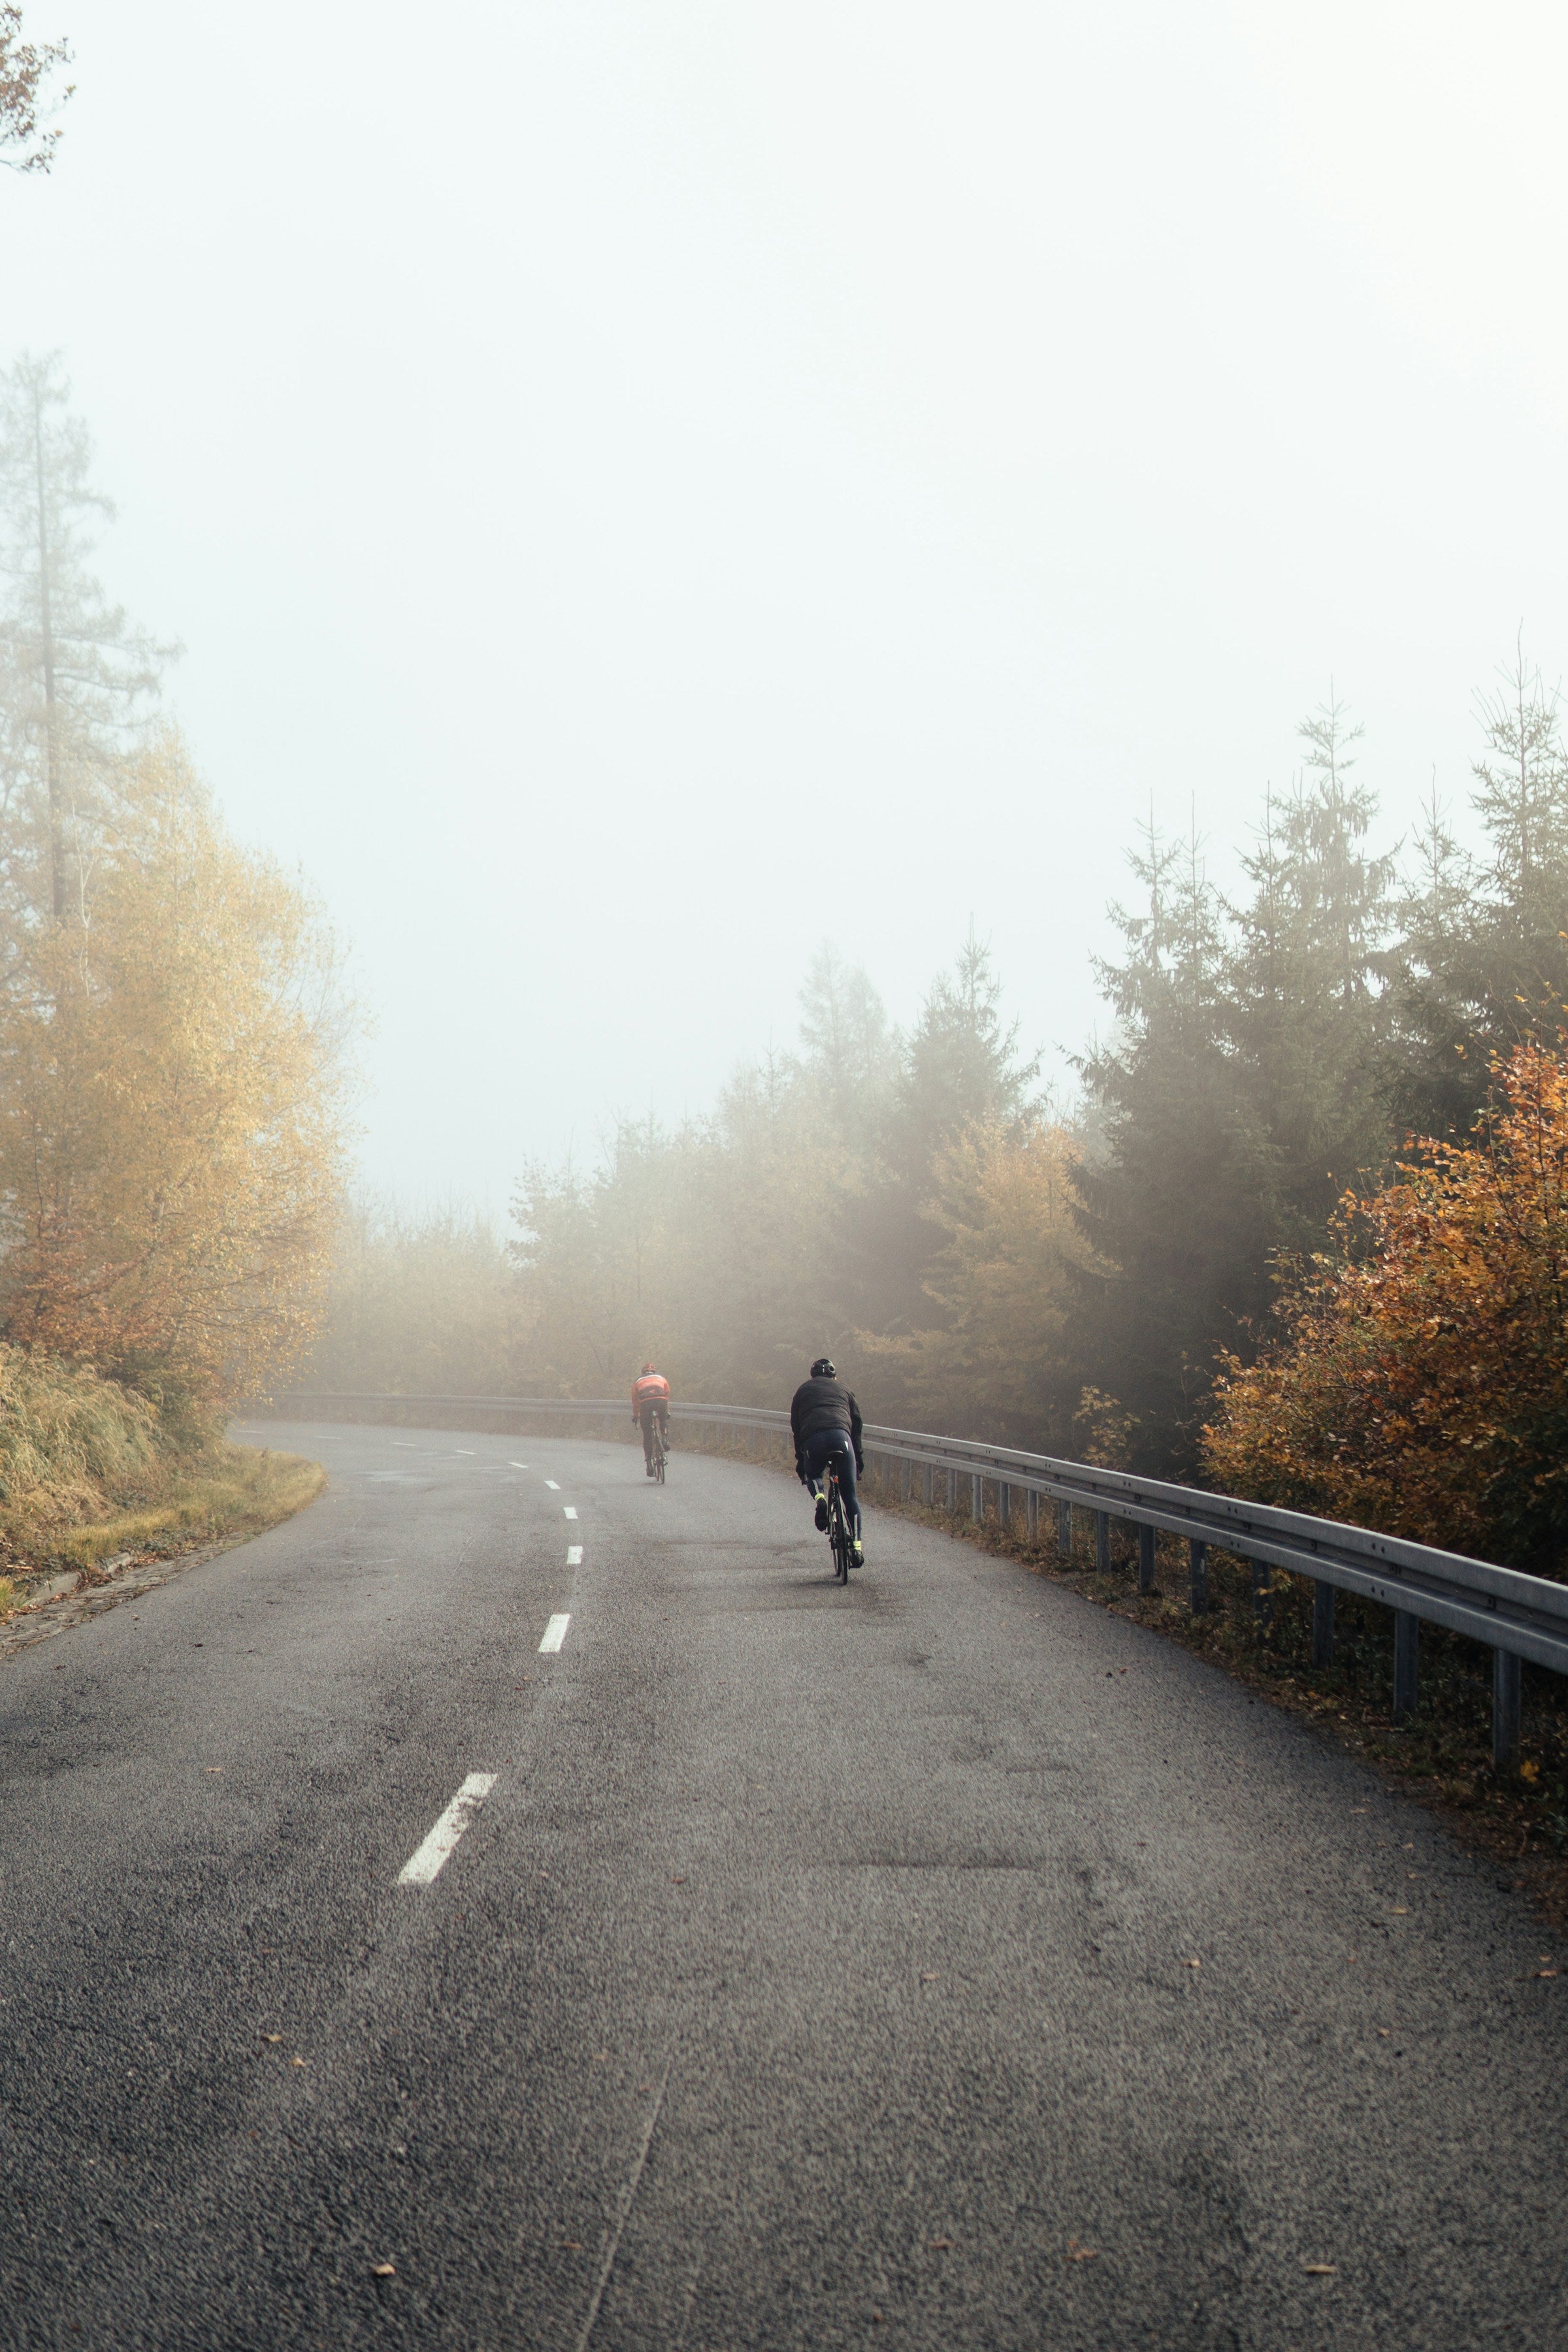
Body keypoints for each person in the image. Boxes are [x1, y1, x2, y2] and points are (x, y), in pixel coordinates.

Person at [790, 1356, 864, 1565]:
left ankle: (821, 1500)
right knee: (849, 1495)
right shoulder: (845, 1390)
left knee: (814, 1473)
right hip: (843, 1439)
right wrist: (858, 1457)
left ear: (812, 1376)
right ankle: (857, 1547)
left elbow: (796, 1427)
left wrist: (800, 1457)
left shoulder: (802, 1391)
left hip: (814, 1439)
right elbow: (857, 1424)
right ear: (834, 1376)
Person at [632, 1361, 670, 1475]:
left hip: (646, 1404)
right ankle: (664, 1439)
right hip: (660, 1401)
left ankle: (649, 1465)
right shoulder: (661, 1377)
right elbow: (666, 1394)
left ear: (643, 1372)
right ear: (654, 1371)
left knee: (647, 1434)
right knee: (663, 1420)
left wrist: (636, 1415)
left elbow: (635, 1401)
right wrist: (666, 1411)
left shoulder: (637, 1381)